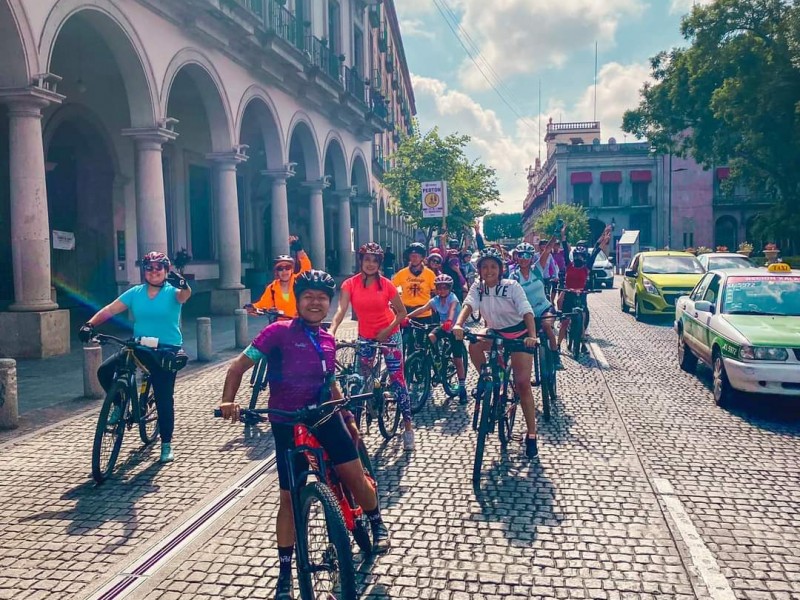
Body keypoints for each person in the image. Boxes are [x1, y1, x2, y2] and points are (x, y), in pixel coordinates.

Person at [219, 270, 389, 600]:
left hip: (324, 416)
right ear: (297, 301)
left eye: (322, 298)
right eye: (308, 296)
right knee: (288, 498)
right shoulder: (276, 332)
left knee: (354, 477)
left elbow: (330, 384)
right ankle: (286, 572)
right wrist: (229, 400)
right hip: (285, 421)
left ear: (329, 303)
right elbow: (237, 366)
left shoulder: (327, 339)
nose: (315, 302)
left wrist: (347, 415)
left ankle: (376, 521)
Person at [78, 251, 191, 463]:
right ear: (144, 271)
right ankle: (119, 403)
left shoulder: (172, 291)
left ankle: (166, 444)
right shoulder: (135, 293)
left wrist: (183, 284)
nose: (154, 271)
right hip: (140, 346)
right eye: (150, 267)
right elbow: (110, 309)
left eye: (159, 267)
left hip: (166, 350)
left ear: (166, 271)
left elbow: (185, 296)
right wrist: (90, 324)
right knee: (104, 371)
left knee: (163, 398)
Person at [452, 247, 540, 458]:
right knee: (473, 344)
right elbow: (468, 305)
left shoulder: (512, 286)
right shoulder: (478, 287)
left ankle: (532, 434)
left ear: (500, 269)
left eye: (493, 267)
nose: (489, 271)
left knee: (522, 384)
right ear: (479, 270)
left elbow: (527, 310)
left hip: (519, 334)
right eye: (484, 267)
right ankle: (486, 376)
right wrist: (458, 324)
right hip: (495, 332)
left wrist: (532, 336)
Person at [330, 243, 416, 450]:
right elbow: (341, 309)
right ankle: (357, 426)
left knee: (397, 380)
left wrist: (387, 330)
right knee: (360, 381)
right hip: (366, 336)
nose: (370, 264)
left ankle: (408, 426)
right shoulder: (349, 284)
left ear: (379, 264)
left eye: (375, 260)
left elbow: (402, 313)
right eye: (367, 259)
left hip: (390, 336)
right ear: (360, 261)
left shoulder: (386, 284)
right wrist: (332, 330)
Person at [406, 273, 469, 403]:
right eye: (439, 288)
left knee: (457, 359)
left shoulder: (453, 298)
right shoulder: (435, 300)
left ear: (450, 288)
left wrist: (450, 320)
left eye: (445, 287)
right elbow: (423, 309)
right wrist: (407, 317)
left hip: (455, 328)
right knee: (430, 336)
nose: (441, 290)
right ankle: (436, 359)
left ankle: (462, 389)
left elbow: (452, 310)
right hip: (443, 326)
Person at [556, 225, 612, 354]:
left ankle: (582, 341)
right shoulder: (569, 265)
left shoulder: (587, 267)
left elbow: (597, 251)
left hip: (580, 295)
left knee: (583, 316)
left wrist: (605, 239)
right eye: (577, 256)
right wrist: (563, 235)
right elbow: (565, 249)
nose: (579, 258)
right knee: (564, 321)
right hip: (569, 294)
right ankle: (558, 345)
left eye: (581, 256)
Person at [512, 241, 563, 370]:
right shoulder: (514, 276)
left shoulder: (537, 269)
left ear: (531, 257)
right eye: (521, 255)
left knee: (546, 326)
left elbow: (547, 250)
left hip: (544, 308)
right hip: (526, 314)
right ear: (517, 257)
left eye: (527, 256)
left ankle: (555, 355)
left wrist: (556, 233)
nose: (524, 259)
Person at [249, 235, 311, 318]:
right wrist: (252, 308)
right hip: (279, 326)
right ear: (276, 272)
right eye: (280, 268)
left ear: (292, 270)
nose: (284, 271)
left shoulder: (298, 281)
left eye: (287, 268)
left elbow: (306, 267)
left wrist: (299, 249)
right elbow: (263, 304)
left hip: (298, 325)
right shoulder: (272, 288)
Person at [393, 242, 437, 350]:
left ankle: (424, 364)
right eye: (412, 256)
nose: (415, 258)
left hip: (424, 311)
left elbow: (436, 291)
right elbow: (391, 288)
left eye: (417, 256)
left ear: (422, 257)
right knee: (406, 341)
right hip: (406, 311)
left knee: (424, 343)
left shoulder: (429, 274)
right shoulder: (402, 273)